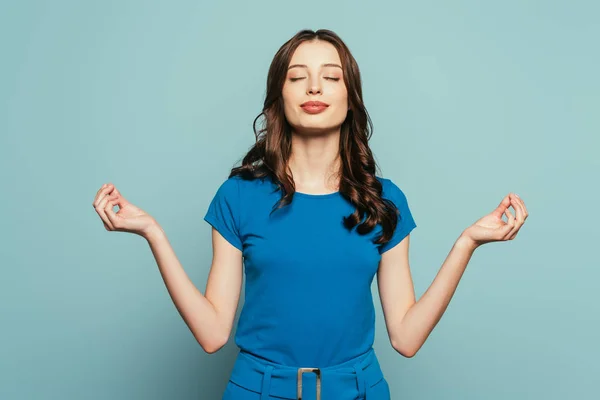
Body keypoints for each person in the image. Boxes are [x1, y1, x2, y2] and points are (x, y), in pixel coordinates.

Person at [92, 29, 528, 400]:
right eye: (297, 77)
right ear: (279, 97)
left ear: (350, 98)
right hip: (257, 390)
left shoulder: (385, 202)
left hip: (359, 389)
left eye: (331, 77)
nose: (314, 88)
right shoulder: (238, 196)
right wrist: (153, 233)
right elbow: (212, 335)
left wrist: (466, 243)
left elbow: (406, 338)